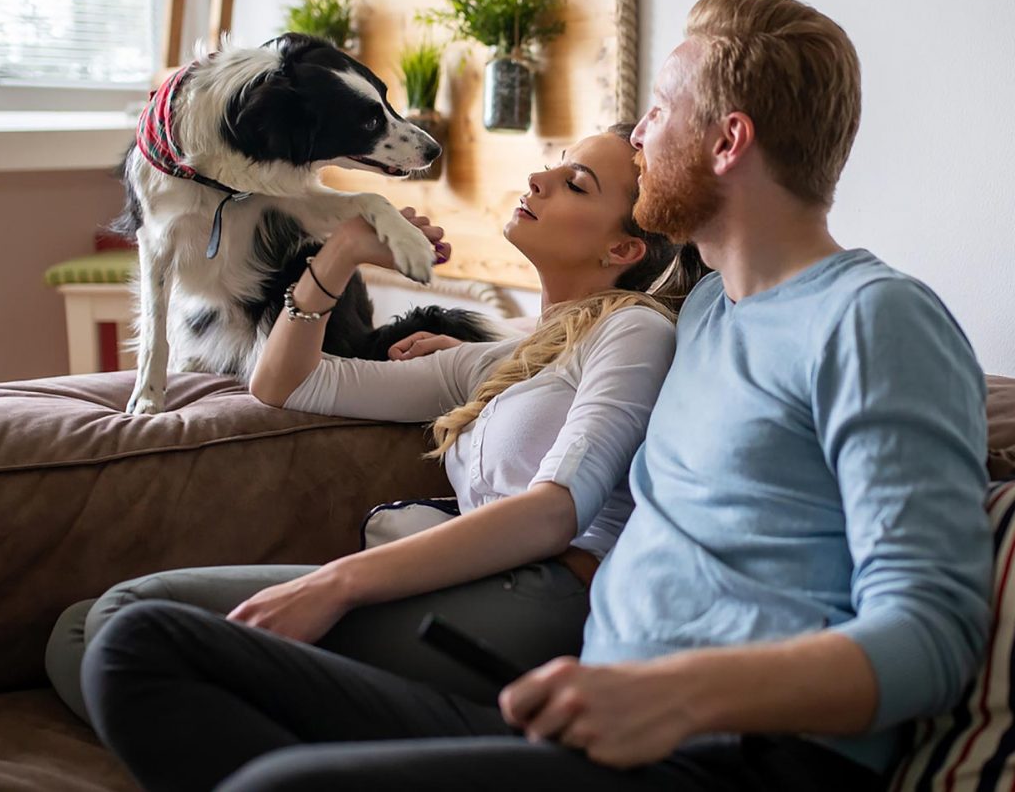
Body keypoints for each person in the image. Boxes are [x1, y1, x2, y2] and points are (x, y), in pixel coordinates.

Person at [81, 0, 993, 792]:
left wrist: (671, 692)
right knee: (137, 647)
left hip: (731, 754)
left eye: (659, 113)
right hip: (582, 727)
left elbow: (936, 638)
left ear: (727, 141)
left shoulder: (876, 318)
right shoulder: (705, 317)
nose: (639, 134)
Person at [44, 124, 706, 722]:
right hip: (464, 587)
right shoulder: (496, 362)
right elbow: (286, 384)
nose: (540, 179)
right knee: (78, 632)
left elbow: (554, 514)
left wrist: (335, 583)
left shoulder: (634, 331)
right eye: (556, 164)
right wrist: (339, 258)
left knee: (123, 624)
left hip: (549, 598)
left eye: (575, 184)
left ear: (622, 247)